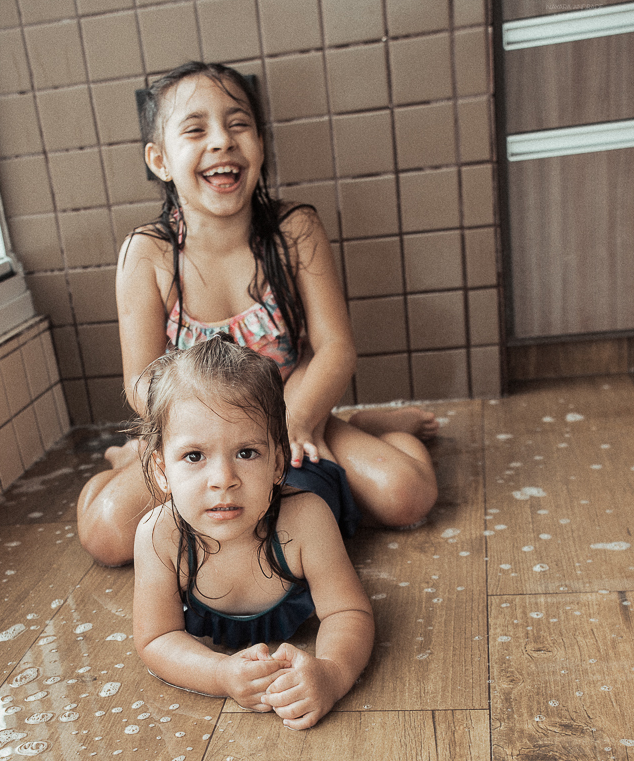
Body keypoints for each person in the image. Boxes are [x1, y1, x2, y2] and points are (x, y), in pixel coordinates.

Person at [78, 60, 438, 567]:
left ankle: (372, 427)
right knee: (109, 534)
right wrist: (191, 432)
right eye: (196, 129)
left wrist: (295, 420)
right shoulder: (149, 253)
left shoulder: (295, 230)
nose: (222, 141)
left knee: (405, 495)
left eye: (238, 123)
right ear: (160, 160)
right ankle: (121, 462)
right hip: (197, 439)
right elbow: (141, 379)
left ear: (261, 144)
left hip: (291, 415)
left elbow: (335, 345)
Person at [132, 334, 374, 731]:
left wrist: (332, 674)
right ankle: (116, 458)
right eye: (194, 456)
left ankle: (359, 427)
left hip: (311, 478)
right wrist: (220, 674)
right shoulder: (160, 537)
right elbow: (156, 639)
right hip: (265, 482)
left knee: (390, 497)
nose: (223, 480)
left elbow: (348, 611)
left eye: (246, 452)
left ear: (277, 462)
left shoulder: (305, 520)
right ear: (161, 470)